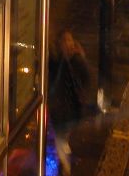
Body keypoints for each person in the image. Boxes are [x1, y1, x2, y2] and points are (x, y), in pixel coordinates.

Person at [48, 29, 91, 176]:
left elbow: (85, 79)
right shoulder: (57, 60)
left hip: (69, 108)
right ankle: (66, 163)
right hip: (61, 109)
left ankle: (66, 166)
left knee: (61, 138)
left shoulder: (76, 60)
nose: (67, 44)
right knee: (61, 137)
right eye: (64, 41)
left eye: (69, 40)